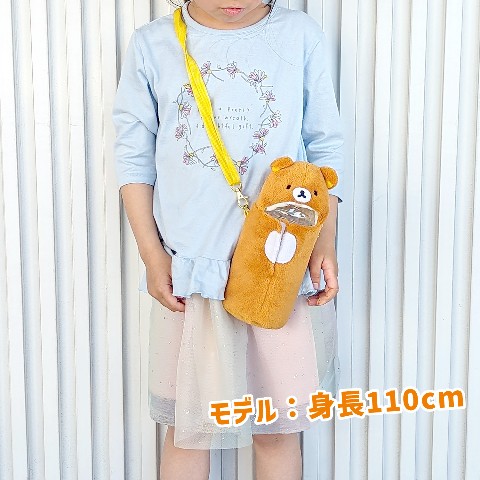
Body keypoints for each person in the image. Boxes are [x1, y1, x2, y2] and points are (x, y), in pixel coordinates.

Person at [112, 0, 344, 478]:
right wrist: (152, 255)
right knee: (189, 430)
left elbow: (326, 147)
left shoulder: (299, 35)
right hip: (192, 276)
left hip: (278, 273)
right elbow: (133, 157)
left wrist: (324, 241)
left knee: (276, 430)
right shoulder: (153, 45)